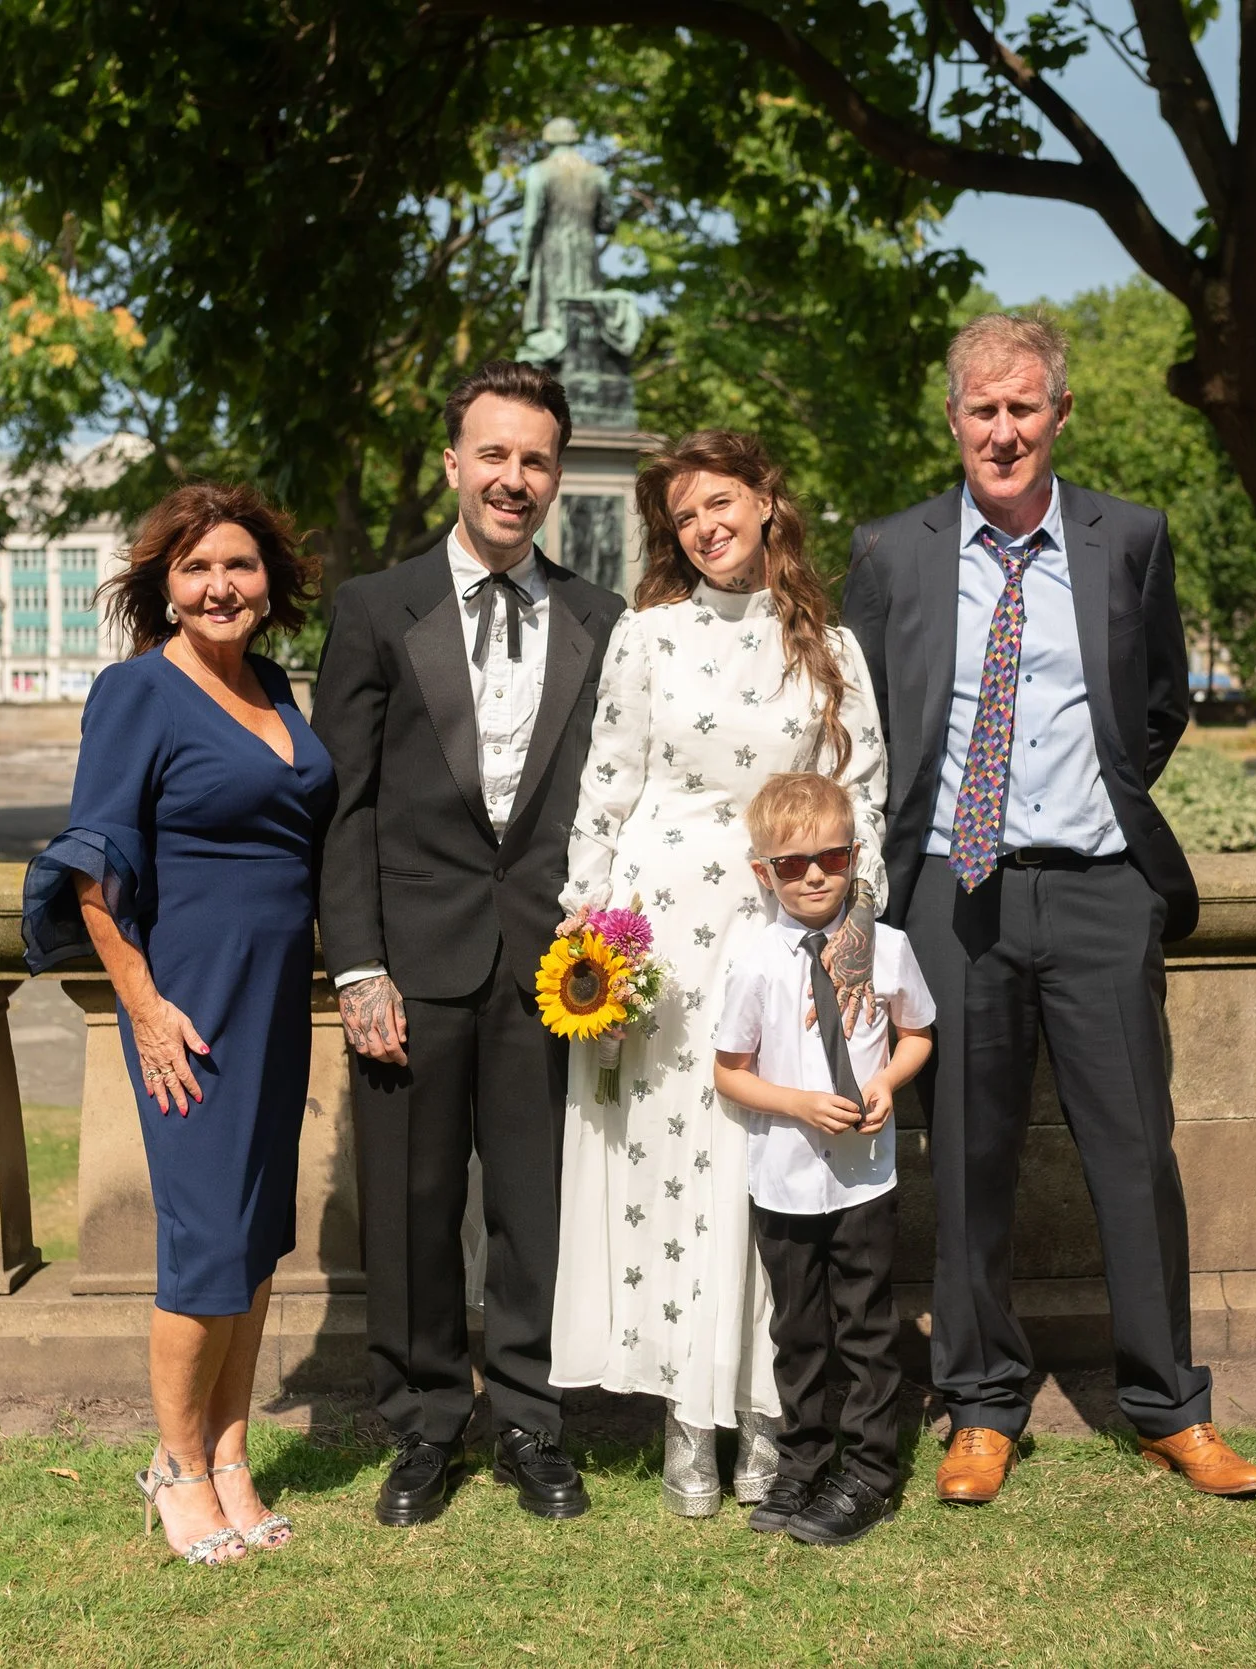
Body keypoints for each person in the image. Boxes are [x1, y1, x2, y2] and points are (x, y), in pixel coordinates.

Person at [841, 313, 1256, 1503]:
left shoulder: (1128, 537)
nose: (1003, 429)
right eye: (982, 409)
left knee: (1133, 1153)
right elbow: (862, 725)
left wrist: (1100, 816)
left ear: (1059, 415)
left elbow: (1160, 705)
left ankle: (1168, 1407)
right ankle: (981, 1406)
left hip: (1095, 888)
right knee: (966, 1158)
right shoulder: (892, 551)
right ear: (953, 420)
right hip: (950, 895)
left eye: (1023, 407)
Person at [550, 428, 889, 1517]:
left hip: (781, 930)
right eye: (684, 515)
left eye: (721, 502)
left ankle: (769, 1411)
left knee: (773, 1177)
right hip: (662, 942)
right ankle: (684, 1420)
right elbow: (605, 792)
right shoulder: (644, 638)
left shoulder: (828, 645)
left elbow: (862, 798)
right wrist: (589, 945)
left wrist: (849, 942)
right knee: (675, 1178)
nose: (705, 526)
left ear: (767, 504)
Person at [315, 360, 625, 1527]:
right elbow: (338, 809)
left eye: (535, 459)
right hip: (407, 961)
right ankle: (424, 1423)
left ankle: (535, 1425)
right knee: (410, 1204)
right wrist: (356, 963)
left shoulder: (603, 621)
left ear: (556, 475)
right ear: (453, 462)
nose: (513, 477)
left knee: (538, 1208)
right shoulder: (371, 609)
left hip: (553, 972)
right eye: (492, 454)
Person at [20, 482, 334, 1567]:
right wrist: (144, 1007)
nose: (219, 585)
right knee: (204, 1238)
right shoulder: (137, 693)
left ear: (270, 583)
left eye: (239, 566)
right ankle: (173, 1464)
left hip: (275, 994)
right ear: (163, 585)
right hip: (189, 1002)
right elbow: (94, 866)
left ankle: (231, 1457)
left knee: (252, 1237)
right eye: (196, 568)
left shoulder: (274, 686)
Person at [714, 771, 934, 1547]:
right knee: (799, 1333)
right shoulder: (754, 961)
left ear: (855, 857)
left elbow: (918, 1035)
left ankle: (870, 1469)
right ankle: (804, 1461)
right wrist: (800, 1103)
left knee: (867, 1328)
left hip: (864, 1178)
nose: (813, 876)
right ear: (762, 872)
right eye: (792, 863)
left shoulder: (889, 948)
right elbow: (728, 1069)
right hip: (783, 1179)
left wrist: (884, 1081)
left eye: (832, 859)